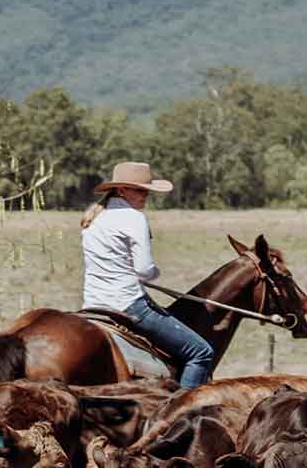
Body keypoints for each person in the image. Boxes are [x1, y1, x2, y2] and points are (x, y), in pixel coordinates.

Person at [80, 161, 215, 390]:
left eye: (146, 191)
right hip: (128, 305)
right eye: (138, 190)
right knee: (201, 352)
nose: (145, 196)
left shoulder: (94, 218)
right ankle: (180, 414)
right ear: (121, 189)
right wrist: (154, 272)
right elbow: (144, 271)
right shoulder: (133, 217)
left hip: (93, 304)